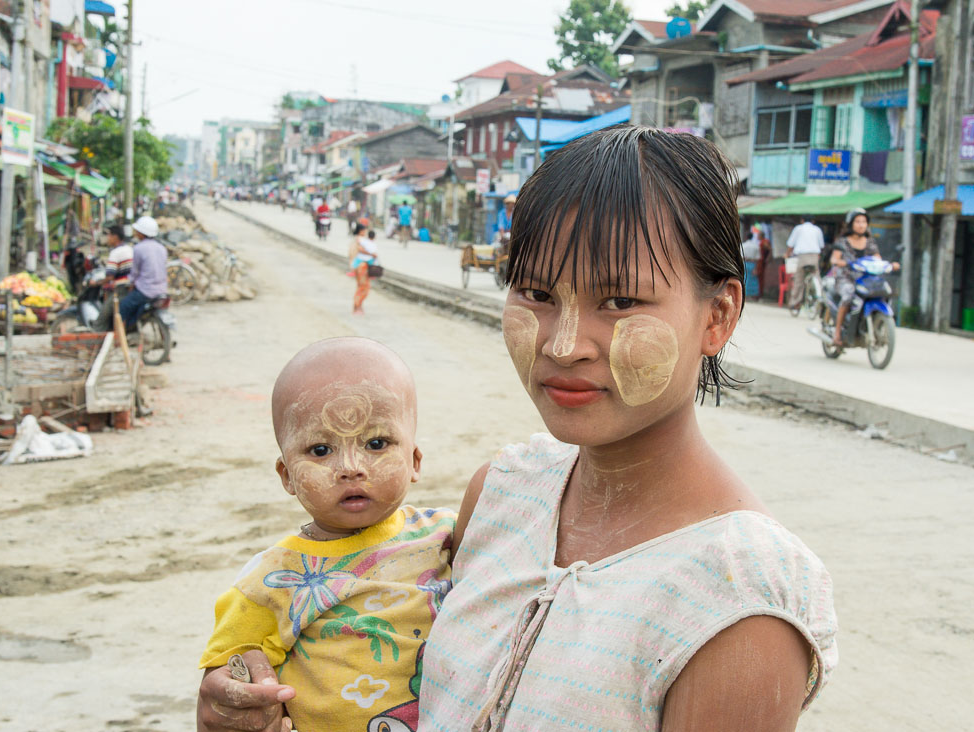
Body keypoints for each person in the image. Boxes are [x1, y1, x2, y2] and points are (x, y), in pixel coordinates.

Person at [196, 126, 839, 732]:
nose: (563, 345)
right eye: (534, 291)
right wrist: (247, 699)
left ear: (718, 315)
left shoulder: (741, 597)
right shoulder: (503, 492)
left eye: (619, 302)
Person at [196, 337, 456, 732]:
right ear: (287, 476)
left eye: (376, 443)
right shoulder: (269, 580)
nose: (350, 468)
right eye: (320, 450)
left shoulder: (447, 535)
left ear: (414, 460)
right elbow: (225, 688)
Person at [829, 209, 897, 347]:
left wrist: (889, 265)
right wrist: (842, 262)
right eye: (858, 222)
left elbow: (877, 258)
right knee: (848, 296)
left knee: (883, 292)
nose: (861, 225)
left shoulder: (870, 241)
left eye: (864, 222)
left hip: (866, 279)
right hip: (846, 278)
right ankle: (837, 333)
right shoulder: (842, 241)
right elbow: (834, 259)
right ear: (851, 224)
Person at [119, 216, 168, 330]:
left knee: (123, 306)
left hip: (146, 290)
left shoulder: (139, 248)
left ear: (141, 233)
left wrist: (130, 283)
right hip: (162, 289)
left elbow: (135, 273)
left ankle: (121, 334)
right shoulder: (161, 248)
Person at [95, 224, 134, 330]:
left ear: (115, 237)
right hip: (131, 287)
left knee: (101, 318)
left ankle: (97, 342)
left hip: (121, 290)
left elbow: (110, 277)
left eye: (109, 236)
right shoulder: (129, 249)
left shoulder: (115, 253)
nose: (107, 238)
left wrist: (96, 283)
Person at [785, 215, 825, 313]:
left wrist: (787, 254)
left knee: (799, 279)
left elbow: (791, 244)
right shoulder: (817, 230)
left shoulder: (798, 228)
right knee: (816, 276)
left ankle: (795, 303)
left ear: (802, 220)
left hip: (802, 256)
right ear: (813, 221)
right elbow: (821, 246)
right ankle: (820, 299)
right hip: (814, 256)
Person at [349, 224, 378, 315]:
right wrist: (371, 254)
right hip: (362, 266)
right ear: (361, 231)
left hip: (358, 265)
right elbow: (360, 249)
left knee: (361, 287)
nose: (365, 232)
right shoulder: (359, 240)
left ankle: (358, 306)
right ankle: (357, 306)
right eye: (364, 230)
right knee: (364, 287)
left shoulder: (358, 240)